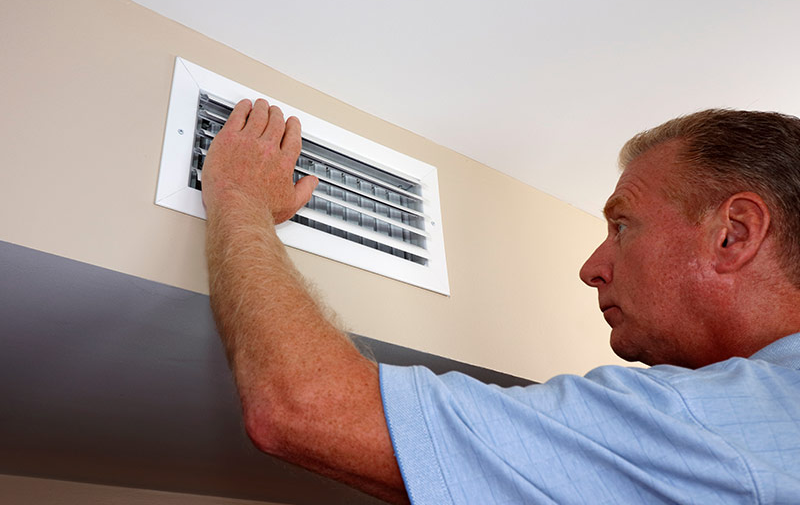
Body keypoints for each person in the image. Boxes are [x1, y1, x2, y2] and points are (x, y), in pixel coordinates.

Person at [202, 101, 800, 504]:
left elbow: (304, 408)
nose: (593, 268)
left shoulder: (711, 420)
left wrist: (240, 197)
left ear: (734, 233)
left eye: (622, 225)